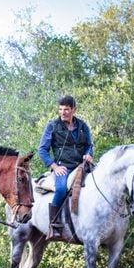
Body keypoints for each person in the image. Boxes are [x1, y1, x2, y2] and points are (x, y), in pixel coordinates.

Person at [37, 95, 94, 239]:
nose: (63, 112)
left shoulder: (82, 126)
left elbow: (89, 145)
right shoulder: (52, 126)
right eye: (61, 109)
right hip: (63, 167)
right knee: (61, 189)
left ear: (74, 109)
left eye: (66, 109)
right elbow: (42, 150)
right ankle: (53, 226)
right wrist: (54, 166)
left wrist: (89, 154)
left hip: (81, 165)